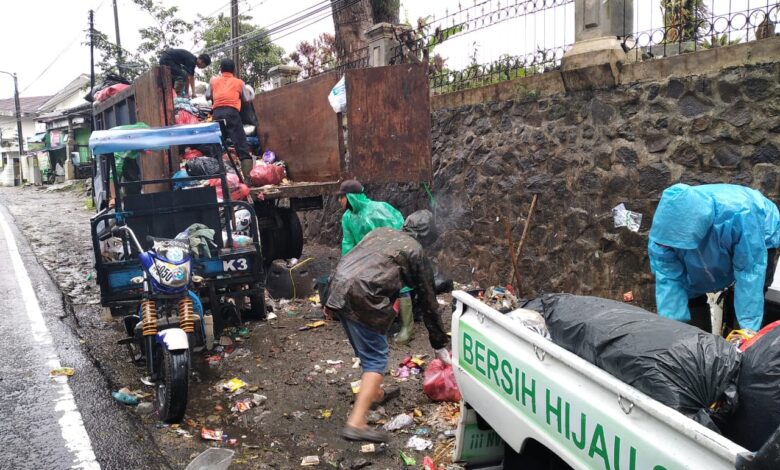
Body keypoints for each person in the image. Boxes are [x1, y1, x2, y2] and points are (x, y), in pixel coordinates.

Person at [325, 210, 451, 443]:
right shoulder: (415, 250)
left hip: (338, 286)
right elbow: (428, 299)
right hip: (365, 295)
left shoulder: (380, 232)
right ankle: (356, 423)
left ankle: (375, 393)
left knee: (367, 351)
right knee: (376, 359)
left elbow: (355, 257)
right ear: (427, 235)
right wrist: (440, 343)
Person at [648, 183, 780, 333]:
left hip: (759, 228)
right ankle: (697, 343)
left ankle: (741, 343)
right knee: (688, 289)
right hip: (710, 234)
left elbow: (749, 273)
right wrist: (673, 331)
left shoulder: (741, 216)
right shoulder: (661, 239)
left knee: (747, 293)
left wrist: (748, 330)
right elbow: (669, 282)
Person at [337, 179, 416, 344]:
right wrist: (347, 267)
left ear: (351, 197)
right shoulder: (347, 218)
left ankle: (407, 328)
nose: (339, 201)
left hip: (392, 255)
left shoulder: (379, 209)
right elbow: (349, 244)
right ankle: (375, 323)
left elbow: (396, 234)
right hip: (368, 260)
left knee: (401, 286)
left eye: (341, 197)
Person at [206, 58, 253, 176]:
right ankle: (247, 178)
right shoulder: (239, 82)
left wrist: (212, 86)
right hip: (232, 113)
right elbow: (247, 99)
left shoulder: (214, 81)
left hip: (217, 114)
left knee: (217, 144)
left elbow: (207, 96)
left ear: (221, 70)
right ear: (234, 70)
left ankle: (217, 176)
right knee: (241, 144)